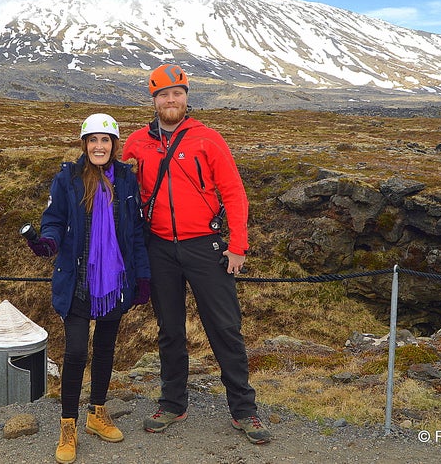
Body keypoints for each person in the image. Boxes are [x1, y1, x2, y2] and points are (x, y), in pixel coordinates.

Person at [122, 64, 272, 444]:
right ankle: (173, 403)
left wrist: (238, 246)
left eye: (176, 93)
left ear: (187, 97)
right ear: (153, 100)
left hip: (205, 247)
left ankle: (244, 410)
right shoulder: (137, 142)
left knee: (225, 329)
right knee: (169, 331)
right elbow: (122, 194)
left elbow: (235, 194)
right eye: (162, 95)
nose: (170, 100)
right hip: (159, 249)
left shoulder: (208, 139)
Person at [25, 113, 152, 464]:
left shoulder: (126, 180)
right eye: (93, 140)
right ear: (84, 144)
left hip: (114, 282)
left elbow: (136, 234)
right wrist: (46, 243)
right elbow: (53, 222)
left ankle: (98, 412)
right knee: (77, 352)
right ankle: (69, 425)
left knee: (106, 349)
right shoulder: (67, 178)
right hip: (79, 281)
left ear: (114, 145)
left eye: (105, 140)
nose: (99, 146)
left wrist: (142, 278)